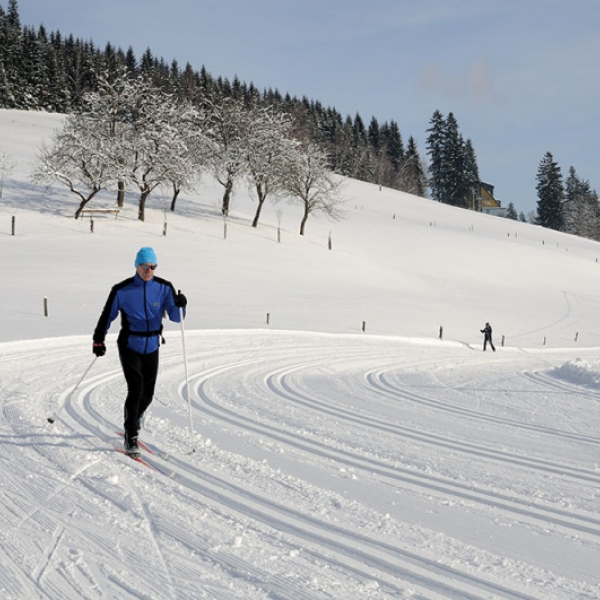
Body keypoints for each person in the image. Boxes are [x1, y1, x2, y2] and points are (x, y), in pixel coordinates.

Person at [92, 247, 187, 455]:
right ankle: (131, 434)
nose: (149, 270)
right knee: (136, 388)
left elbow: (176, 317)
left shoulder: (164, 287)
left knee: (148, 394)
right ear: (137, 266)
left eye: (153, 266)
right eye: (145, 266)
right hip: (130, 344)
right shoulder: (122, 290)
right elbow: (107, 315)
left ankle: (134, 417)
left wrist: (181, 305)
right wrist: (98, 339)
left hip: (152, 344)